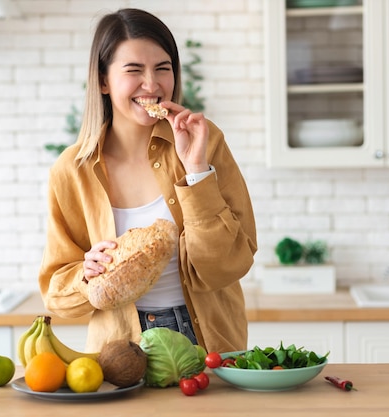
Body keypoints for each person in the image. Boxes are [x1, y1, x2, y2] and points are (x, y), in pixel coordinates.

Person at [39, 8, 257, 353]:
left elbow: (230, 264)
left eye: (162, 68)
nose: (152, 85)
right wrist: (86, 274)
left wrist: (196, 169)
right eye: (134, 70)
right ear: (103, 81)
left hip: (211, 342)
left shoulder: (205, 141)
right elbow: (56, 294)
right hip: (120, 350)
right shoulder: (72, 170)